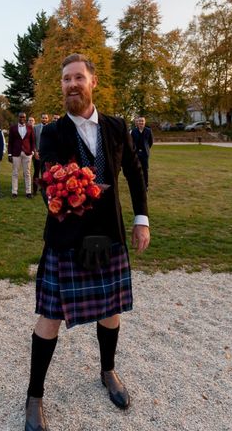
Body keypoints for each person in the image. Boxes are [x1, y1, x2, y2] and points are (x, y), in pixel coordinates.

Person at [24, 54, 150, 431]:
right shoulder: (54, 132)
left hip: (109, 235)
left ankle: (108, 371)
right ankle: (34, 395)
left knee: (111, 310)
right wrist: (63, 191)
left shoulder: (115, 126)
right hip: (67, 239)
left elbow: (135, 172)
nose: (72, 84)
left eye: (78, 77)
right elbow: (48, 175)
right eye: (66, 79)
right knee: (49, 319)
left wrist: (140, 219)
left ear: (93, 82)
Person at [7, 112, 35, 198]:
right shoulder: (13, 128)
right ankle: (14, 192)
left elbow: (32, 140)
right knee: (15, 173)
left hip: (27, 153)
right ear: (18, 118)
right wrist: (9, 154)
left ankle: (28, 192)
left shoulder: (30, 128)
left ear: (25, 118)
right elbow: (10, 142)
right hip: (16, 153)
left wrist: (32, 151)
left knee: (27, 173)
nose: (22, 118)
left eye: (23, 117)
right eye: (20, 117)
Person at [130, 116, 154, 191]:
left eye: (142, 121)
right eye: (139, 121)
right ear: (137, 122)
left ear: (145, 122)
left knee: (145, 169)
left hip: (144, 154)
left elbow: (150, 142)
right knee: (136, 169)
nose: (141, 122)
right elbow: (131, 142)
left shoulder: (148, 131)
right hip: (136, 153)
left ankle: (145, 185)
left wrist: (146, 149)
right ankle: (137, 185)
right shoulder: (134, 131)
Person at [32, 113, 50, 195]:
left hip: (47, 153)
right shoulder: (35, 127)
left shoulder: (51, 127)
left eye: (46, 118)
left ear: (48, 119)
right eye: (43, 118)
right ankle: (35, 190)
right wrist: (35, 152)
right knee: (36, 172)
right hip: (38, 153)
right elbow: (33, 141)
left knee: (46, 172)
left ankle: (45, 190)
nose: (44, 119)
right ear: (41, 119)